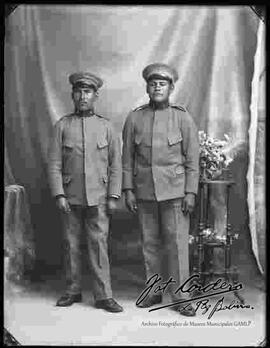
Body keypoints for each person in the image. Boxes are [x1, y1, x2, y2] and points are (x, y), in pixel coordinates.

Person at [122, 63, 199, 316]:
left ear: (171, 88)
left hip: (176, 193)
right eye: (153, 83)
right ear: (146, 87)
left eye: (162, 84)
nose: (157, 87)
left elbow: (192, 160)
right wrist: (129, 190)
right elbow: (127, 159)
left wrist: (190, 192)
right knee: (150, 244)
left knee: (177, 245)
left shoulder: (182, 118)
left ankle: (182, 298)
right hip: (144, 192)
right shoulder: (135, 118)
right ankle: (154, 291)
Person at [48, 72, 123, 312]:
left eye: (87, 92)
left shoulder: (106, 127)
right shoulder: (62, 126)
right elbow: (54, 164)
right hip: (70, 197)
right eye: (79, 92)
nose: (83, 96)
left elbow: (116, 165)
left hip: (99, 197)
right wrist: (59, 194)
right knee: (71, 244)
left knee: (98, 245)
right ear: (72, 95)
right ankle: (72, 290)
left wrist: (113, 196)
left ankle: (104, 296)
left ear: (95, 96)